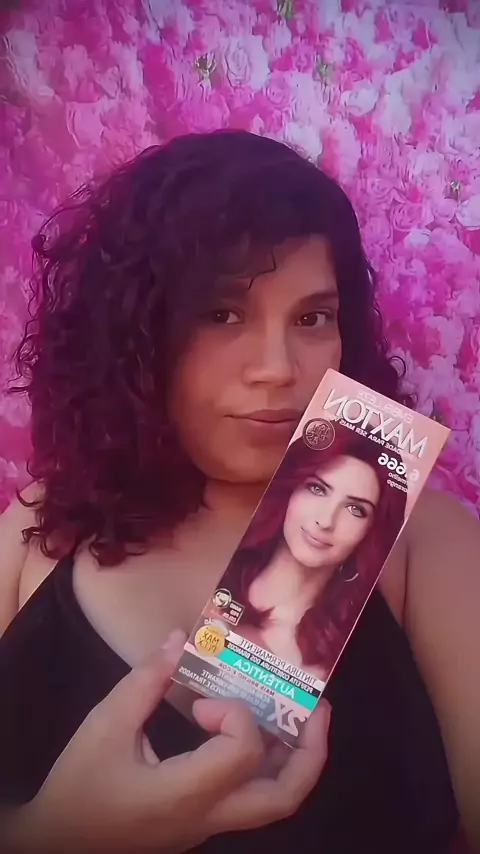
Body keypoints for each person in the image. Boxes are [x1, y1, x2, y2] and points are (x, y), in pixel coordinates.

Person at [0, 129, 478, 853]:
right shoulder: (38, 530)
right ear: (135, 332)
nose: (277, 367)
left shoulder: (427, 545)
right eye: (222, 314)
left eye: (312, 317)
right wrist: (51, 835)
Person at [222, 429, 407, 680]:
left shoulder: (339, 655)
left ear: (371, 532)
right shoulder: (221, 583)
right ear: (289, 490)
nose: (326, 521)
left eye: (355, 509)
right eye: (317, 489)